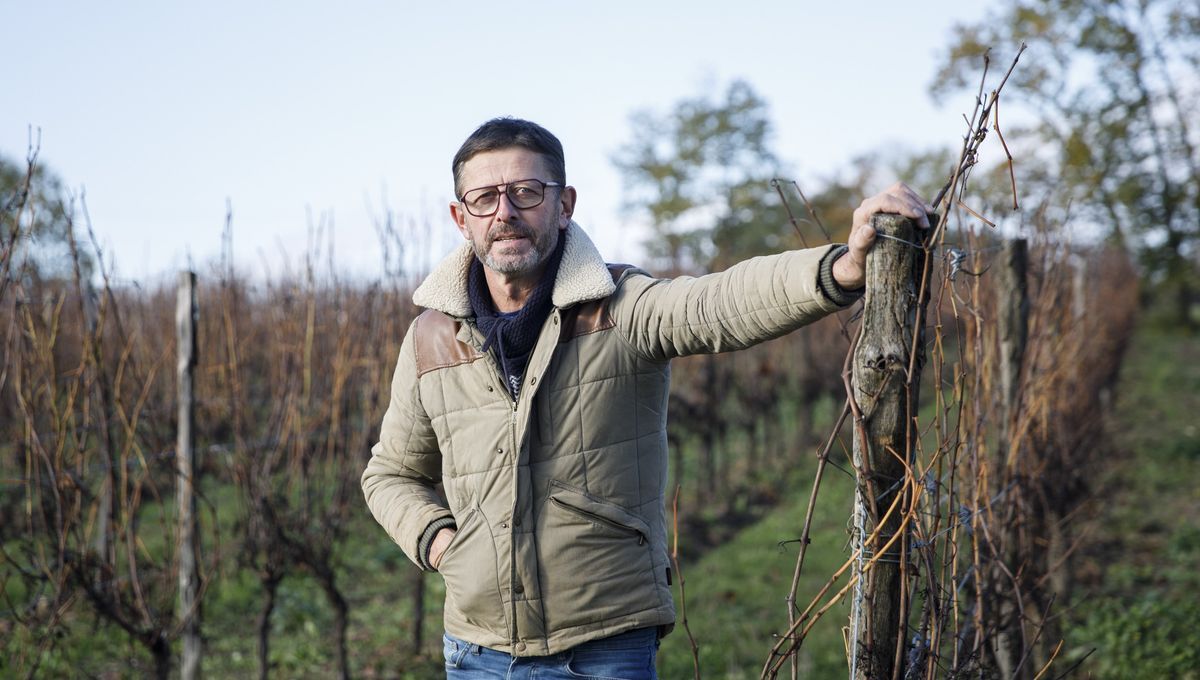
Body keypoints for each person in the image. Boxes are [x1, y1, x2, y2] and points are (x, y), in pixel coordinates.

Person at [361, 117, 932, 678]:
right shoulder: (432, 337)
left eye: (526, 192)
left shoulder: (621, 305)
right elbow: (389, 474)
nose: (505, 212)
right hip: (475, 652)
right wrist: (439, 543)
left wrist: (844, 266)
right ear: (462, 218)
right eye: (485, 197)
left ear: (564, 205)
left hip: (603, 648)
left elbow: (720, 303)